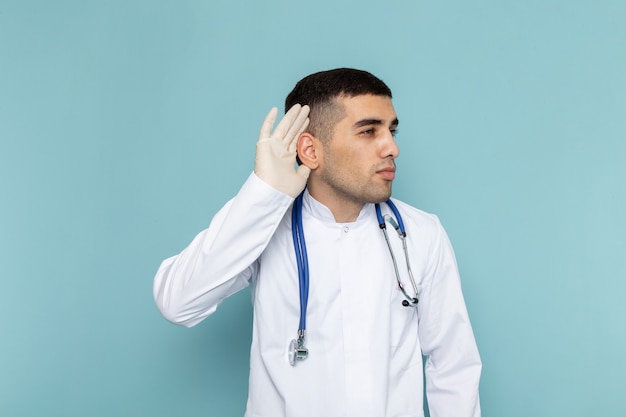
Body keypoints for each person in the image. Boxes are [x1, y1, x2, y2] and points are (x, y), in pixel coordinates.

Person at [153, 68, 481, 417]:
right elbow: (178, 303)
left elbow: (453, 366)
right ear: (310, 150)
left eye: (392, 130)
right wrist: (263, 194)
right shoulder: (262, 224)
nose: (392, 147)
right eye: (369, 131)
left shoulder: (421, 233)